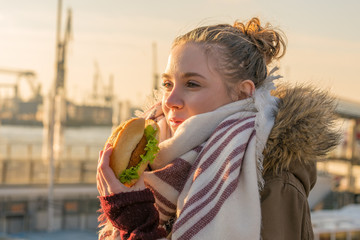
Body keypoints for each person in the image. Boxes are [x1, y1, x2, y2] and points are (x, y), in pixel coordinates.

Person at [96, 17, 340, 240]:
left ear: (242, 93)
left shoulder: (271, 179)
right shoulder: (156, 167)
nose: (170, 100)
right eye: (168, 83)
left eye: (192, 84)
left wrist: (138, 223)